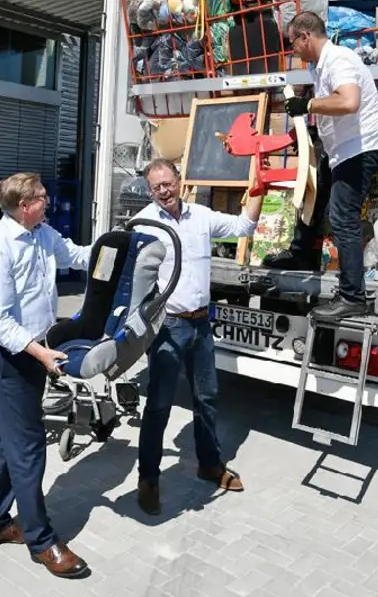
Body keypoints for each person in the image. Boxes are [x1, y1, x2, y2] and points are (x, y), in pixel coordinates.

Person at [0, 172, 93, 580]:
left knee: (9, 440)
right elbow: (0, 322)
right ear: (24, 206)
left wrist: (118, 249)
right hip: (6, 357)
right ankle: (42, 541)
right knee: (28, 447)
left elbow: (76, 255)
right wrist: (41, 354)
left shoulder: (41, 233)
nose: (48, 202)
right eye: (42, 198)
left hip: (32, 351)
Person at [131, 158, 258, 515]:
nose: (163, 191)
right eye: (156, 187)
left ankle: (210, 464)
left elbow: (244, 226)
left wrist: (259, 188)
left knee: (208, 398)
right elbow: (129, 275)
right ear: (150, 190)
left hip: (202, 325)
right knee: (158, 405)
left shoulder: (201, 216)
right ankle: (149, 479)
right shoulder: (144, 224)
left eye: (168, 183)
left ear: (180, 181)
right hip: (168, 327)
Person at [265, 11, 378, 320]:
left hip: (360, 150)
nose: (292, 48)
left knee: (342, 215)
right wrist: (308, 131)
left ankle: (352, 297)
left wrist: (307, 105)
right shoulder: (318, 68)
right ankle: (301, 255)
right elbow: (331, 108)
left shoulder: (339, 60)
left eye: (293, 42)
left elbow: (348, 101)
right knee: (312, 196)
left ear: (306, 37)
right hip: (339, 151)